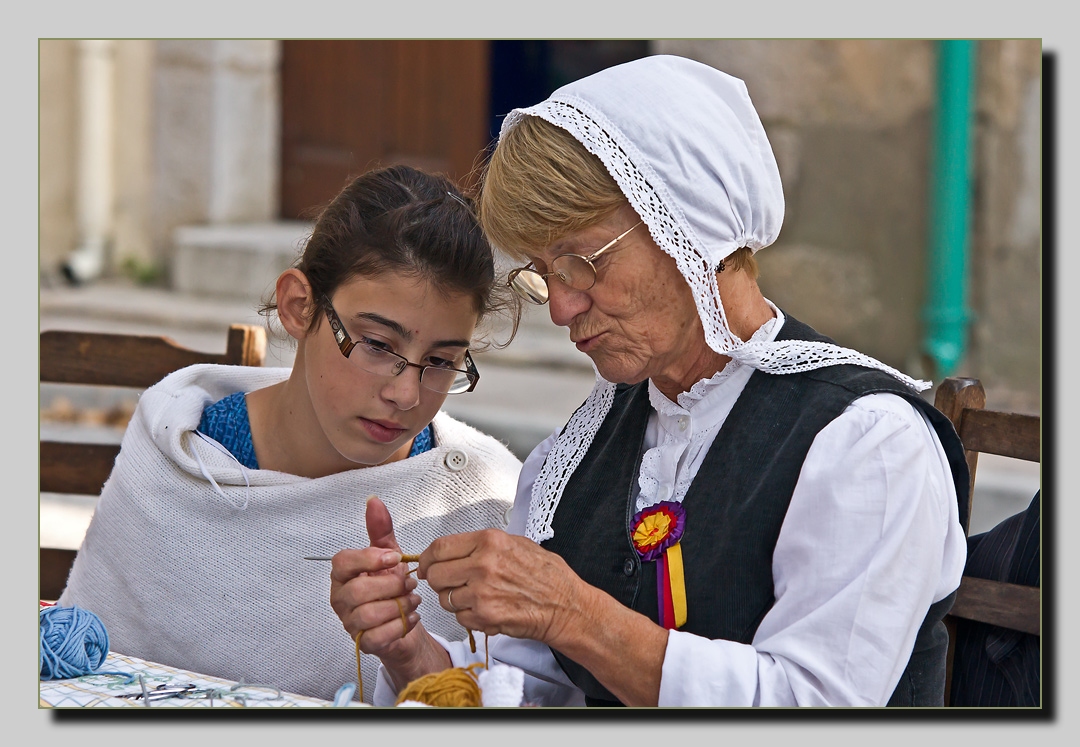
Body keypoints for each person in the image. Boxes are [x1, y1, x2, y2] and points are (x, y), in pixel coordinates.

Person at [328, 55, 970, 707]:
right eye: (544, 274)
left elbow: (811, 702)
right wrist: (412, 652)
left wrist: (576, 614)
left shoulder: (866, 442)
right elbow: (536, 689)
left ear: (690, 224)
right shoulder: (576, 454)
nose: (561, 307)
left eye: (580, 263)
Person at [58, 164, 523, 703]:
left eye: (442, 360)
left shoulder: (487, 507)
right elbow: (80, 675)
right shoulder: (176, 461)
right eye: (376, 344)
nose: (406, 395)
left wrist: (409, 651)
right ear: (299, 307)